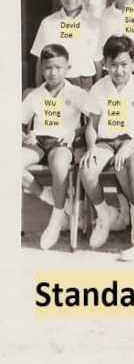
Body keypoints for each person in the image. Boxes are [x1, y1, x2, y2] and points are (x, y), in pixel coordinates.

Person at [78, 36, 134, 259]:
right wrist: (92, 147)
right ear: (105, 64)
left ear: (133, 62)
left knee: (124, 168)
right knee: (87, 169)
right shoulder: (98, 88)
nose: (119, 70)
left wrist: (128, 147)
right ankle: (104, 215)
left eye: (124, 64)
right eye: (113, 65)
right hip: (105, 141)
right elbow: (91, 126)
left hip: (131, 140)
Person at [21, 44, 88, 250]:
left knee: (60, 164)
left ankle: (56, 219)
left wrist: (74, 133)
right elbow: (18, 123)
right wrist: (26, 135)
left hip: (63, 142)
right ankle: (50, 197)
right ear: (42, 69)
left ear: (68, 68)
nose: (53, 72)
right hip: (39, 142)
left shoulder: (77, 93)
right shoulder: (34, 95)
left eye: (58, 67)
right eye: (48, 68)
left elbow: (92, 122)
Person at [30, 0, 101, 89]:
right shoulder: (48, 23)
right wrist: (39, 91)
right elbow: (40, 60)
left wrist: (97, 89)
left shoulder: (94, 24)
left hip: (85, 82)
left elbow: (98, 60)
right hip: (55, 82)